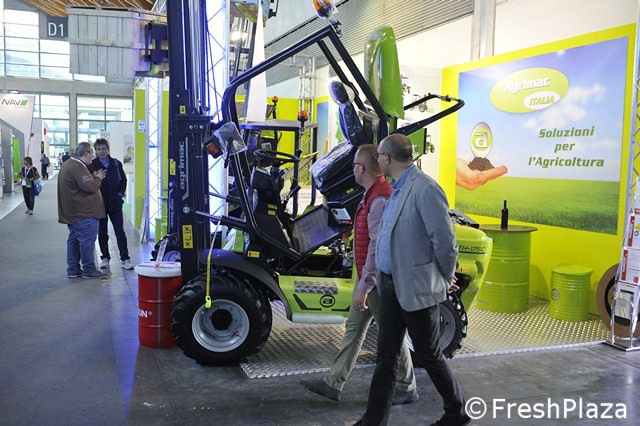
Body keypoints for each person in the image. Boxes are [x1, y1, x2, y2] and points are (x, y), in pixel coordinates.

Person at [354, 134, 469, 426]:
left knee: (429, 354)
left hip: (415, 287)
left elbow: (445, 243)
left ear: (387, 158)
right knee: (386, 357)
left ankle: (456, 412)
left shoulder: (425, 189)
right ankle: (372, 421)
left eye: (379, 156)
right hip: (390, 284)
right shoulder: (397, 189)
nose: (377, 161)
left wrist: (444, 277)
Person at [301, 145, 418, 405]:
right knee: (353, 330)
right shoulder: (371, 194)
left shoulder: (379, 199)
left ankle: (407, 386)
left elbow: (378, 246)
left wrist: (365, 285)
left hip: (375, 281)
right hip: (367, 275)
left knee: (390, 333)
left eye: (354, 164)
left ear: (362, 168)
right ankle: (333, 383)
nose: (352, 169)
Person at [58, 142, 108, 279]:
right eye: (92, 153)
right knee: (87, 241)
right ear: (86, 153)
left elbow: (80, 184)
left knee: (74, 240)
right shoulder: (77, 166)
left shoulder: (68, 164)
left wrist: (91, 176)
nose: (93, 156)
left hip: (74, 213)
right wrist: (98, 178)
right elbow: (90, 187)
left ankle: (73, 269)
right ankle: (89, 269)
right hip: (84, 213)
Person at [88, 138, 133, 270]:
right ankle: (105, 258)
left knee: (120, 232)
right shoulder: (92, 165)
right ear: (95, 151)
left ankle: (125, 258)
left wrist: (119, 194)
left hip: (115, 204)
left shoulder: (116, 163)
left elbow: (123, 180)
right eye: (98, 149)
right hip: (99, 204)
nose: (101, 151)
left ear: (108, 150)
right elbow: (89, 184)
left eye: (104, 148)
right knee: (102, 232)